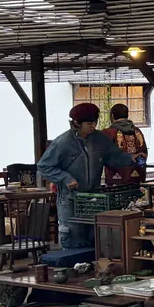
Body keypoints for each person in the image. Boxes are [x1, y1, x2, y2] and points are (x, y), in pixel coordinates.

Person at [37, 103, 134, 248]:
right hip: (70, 199)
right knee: (73, 236)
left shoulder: (99, 139)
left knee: (95, 238)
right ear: (76, 123)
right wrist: (65, 178)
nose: (93, 126)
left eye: (95, 122)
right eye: (89, 123)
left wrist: (131, 158)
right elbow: (44, 166)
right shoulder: (63, 142)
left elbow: (114, 157)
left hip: (94, 197)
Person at [102, 103, 148, 186]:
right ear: (127, 115)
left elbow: (107, 156)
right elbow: (144, 152)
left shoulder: (108, 133)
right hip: (139, 179)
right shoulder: (138, 132)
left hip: (116, 180)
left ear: (112, 116)